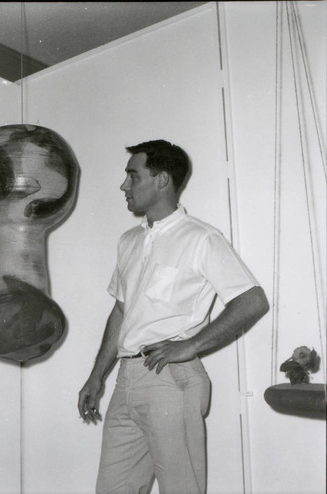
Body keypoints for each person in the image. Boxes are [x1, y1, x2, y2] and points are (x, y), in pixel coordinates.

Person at [78, 139, 269, 494]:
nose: (124, 186)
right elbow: (121, 311)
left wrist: (190, 346)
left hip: (170, 379)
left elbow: (252, 301)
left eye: (132, 176)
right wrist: (96, 377)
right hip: (126, 380)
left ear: (162, 180)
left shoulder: (202, 238)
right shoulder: (129, 241)